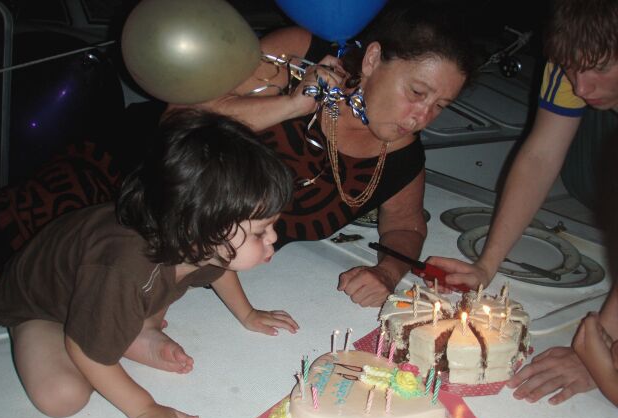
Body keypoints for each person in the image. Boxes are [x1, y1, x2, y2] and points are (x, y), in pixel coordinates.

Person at [0, 109, 298, 418]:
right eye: (261, 231)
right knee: (62, 398)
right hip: (40, 308)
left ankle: (132, 331)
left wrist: (247, 314)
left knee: (146, 291)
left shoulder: (198, 241)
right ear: (200, 228)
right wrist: (143, 409)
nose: (274, 237)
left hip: (105, 291)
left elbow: (221, 269)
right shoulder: (124, 269)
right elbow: (83, 349)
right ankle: (115, 332)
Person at [169, 0, 477, 308]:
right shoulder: (299, 57)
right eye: (417, 92)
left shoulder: (401, 155)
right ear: (372, 59)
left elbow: (404, 225)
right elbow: (178, 118)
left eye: (440, 106)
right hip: (153, 213)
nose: (421, 118)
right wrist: (290, 105)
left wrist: (387, 272)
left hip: (227, 278)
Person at [426, 0, 618, 405]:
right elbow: (538, 159)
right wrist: (486, 265)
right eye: (569, 68)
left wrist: (603, 351)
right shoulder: (575, 61)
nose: (581, 88)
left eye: (600, 69)